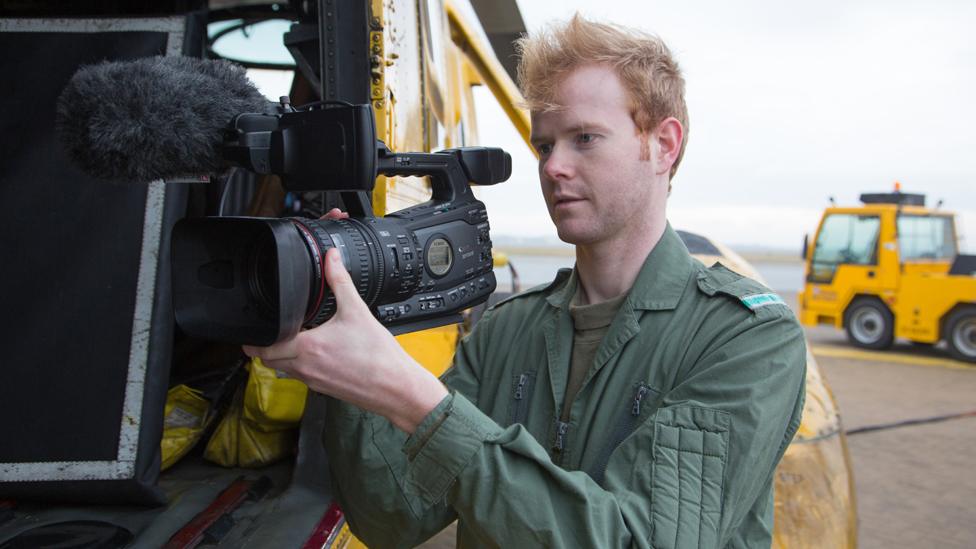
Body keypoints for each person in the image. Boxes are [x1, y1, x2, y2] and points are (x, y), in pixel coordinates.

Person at [244, 14, 806, 548]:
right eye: (544, 144)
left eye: (584, 138)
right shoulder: (510, 328)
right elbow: (393, 516)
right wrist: (353, 367)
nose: (553, 166)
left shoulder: (747, 339)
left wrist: (415, 399)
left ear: (663, 145)